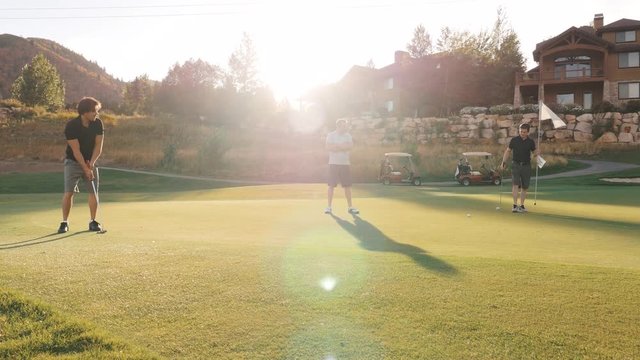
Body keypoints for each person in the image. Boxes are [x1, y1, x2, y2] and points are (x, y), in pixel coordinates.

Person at [58, 97, 104, 233]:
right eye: (94, 111)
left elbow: (98, 146)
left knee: (93, 192)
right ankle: (64, 222)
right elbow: (76, 150)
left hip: (91, 162)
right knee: (69, 192)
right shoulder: (72, 125)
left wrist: (91, 164)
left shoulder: (98, 124)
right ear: (85, 112)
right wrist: (85, 167)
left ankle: (93, 221)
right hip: (73, 162)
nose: (97, 114)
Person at [501, 123, 538, 213]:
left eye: (524, 132)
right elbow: (508, 151)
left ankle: (521, 206)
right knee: (515, 185)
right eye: (521, 131)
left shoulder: (530, 142)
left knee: (525, 187)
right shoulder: (514, 140)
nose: (522, 133)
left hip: (526, 166)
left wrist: (537, 154)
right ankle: (514, 205)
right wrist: (503, 162)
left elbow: (535, 153)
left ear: (528, 132)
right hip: (516, 165)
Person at [325, 118, 359, 215]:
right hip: (333, 163)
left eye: (346, 125)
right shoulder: (331, 135)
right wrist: (342, 146)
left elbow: (350, 146)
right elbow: (328, 147)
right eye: (344, 126)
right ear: (338, 126)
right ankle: (329, 207)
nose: (346, 127)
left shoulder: (348, 135)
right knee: (331, 185)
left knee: (347, 186)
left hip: (345, 164)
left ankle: (350, 207)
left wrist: (336, 146)